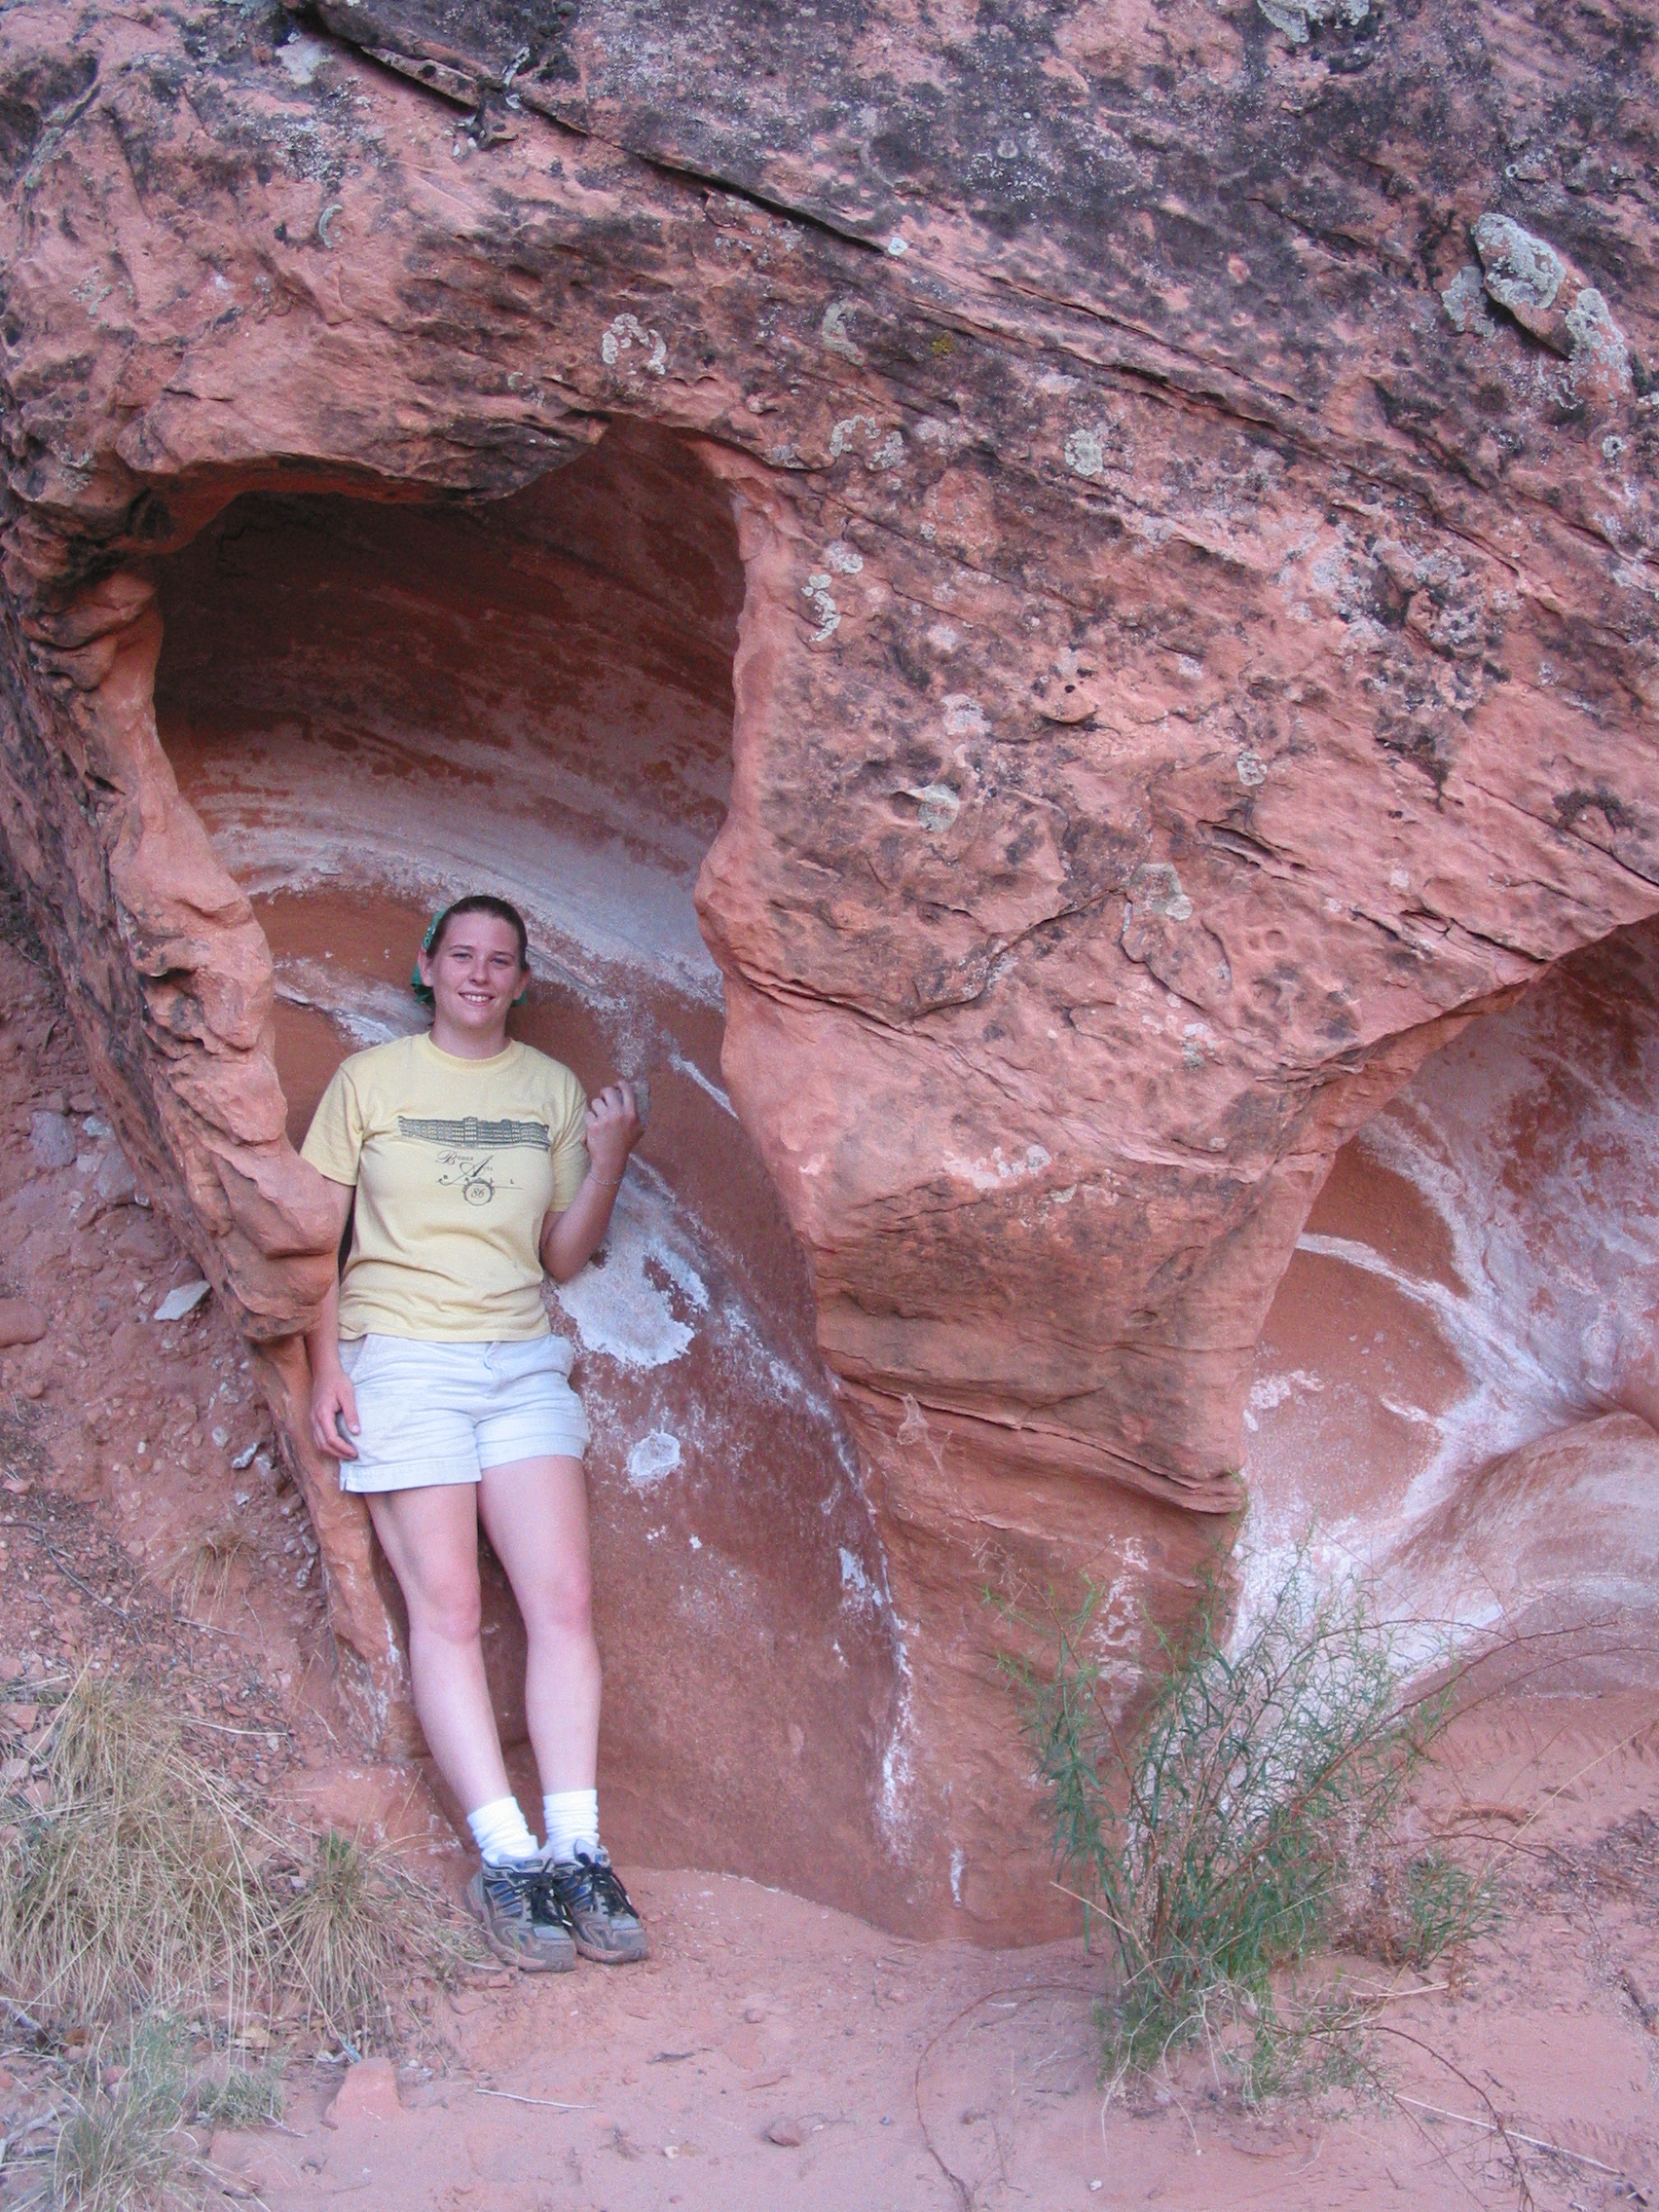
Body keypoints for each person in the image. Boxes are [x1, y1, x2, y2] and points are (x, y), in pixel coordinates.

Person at [300, 893, 646, 1972]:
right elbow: (317, 1233)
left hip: (517, 1359)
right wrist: (325, 1365)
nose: (481, 974)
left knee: (563, 1601)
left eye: (502, 961)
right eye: (463, 955)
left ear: (522, 980)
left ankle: (578, 1846)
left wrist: (612, 1152)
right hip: (401, 1355)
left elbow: (560, 1258)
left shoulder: (547, 1091)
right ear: (427, 966)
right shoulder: (370, 1081)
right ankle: (509, 1857)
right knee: (446, 1607)